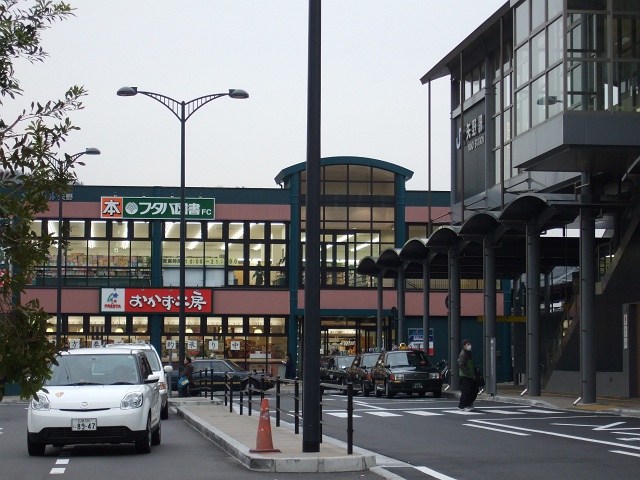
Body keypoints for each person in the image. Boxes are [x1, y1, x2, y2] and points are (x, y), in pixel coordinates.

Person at [458, 339, 478, 411]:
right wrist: (469, 372)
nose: (469, 345)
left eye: (469, 344)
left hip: (470, 375)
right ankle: (463, 405)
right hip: (465, 376)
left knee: (473, 390)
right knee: (466, 391)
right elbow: (461, 365)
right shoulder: (463, 354)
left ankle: (469, 403)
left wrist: (474, 373)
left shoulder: (469, 353)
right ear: (464, 346)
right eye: (467, 344)